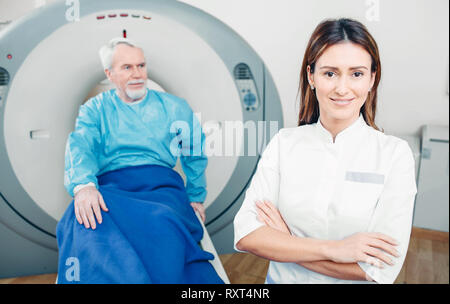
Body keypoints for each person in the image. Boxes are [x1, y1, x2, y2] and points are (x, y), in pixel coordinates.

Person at [233, 18, 417, 284]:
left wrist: (287, 243)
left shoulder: (395, 155)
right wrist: (334, 250)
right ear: (311, 76)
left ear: (372, 79)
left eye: (357, 74)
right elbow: (247, 235)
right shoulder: (284, 144)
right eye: (330, 73)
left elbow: (378, 269)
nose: (342, 88)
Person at [56, 37, 223, 283]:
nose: (137, 74)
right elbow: (81, 146)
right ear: (109, 74)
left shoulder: (174, 107)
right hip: (111, 186)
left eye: (141, 66)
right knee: (82, 219)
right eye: (127, 67)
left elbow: (194, 152)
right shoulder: (95, 109)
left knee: (163, 219)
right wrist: (84, 187)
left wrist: (196, 197)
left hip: (160, 185)